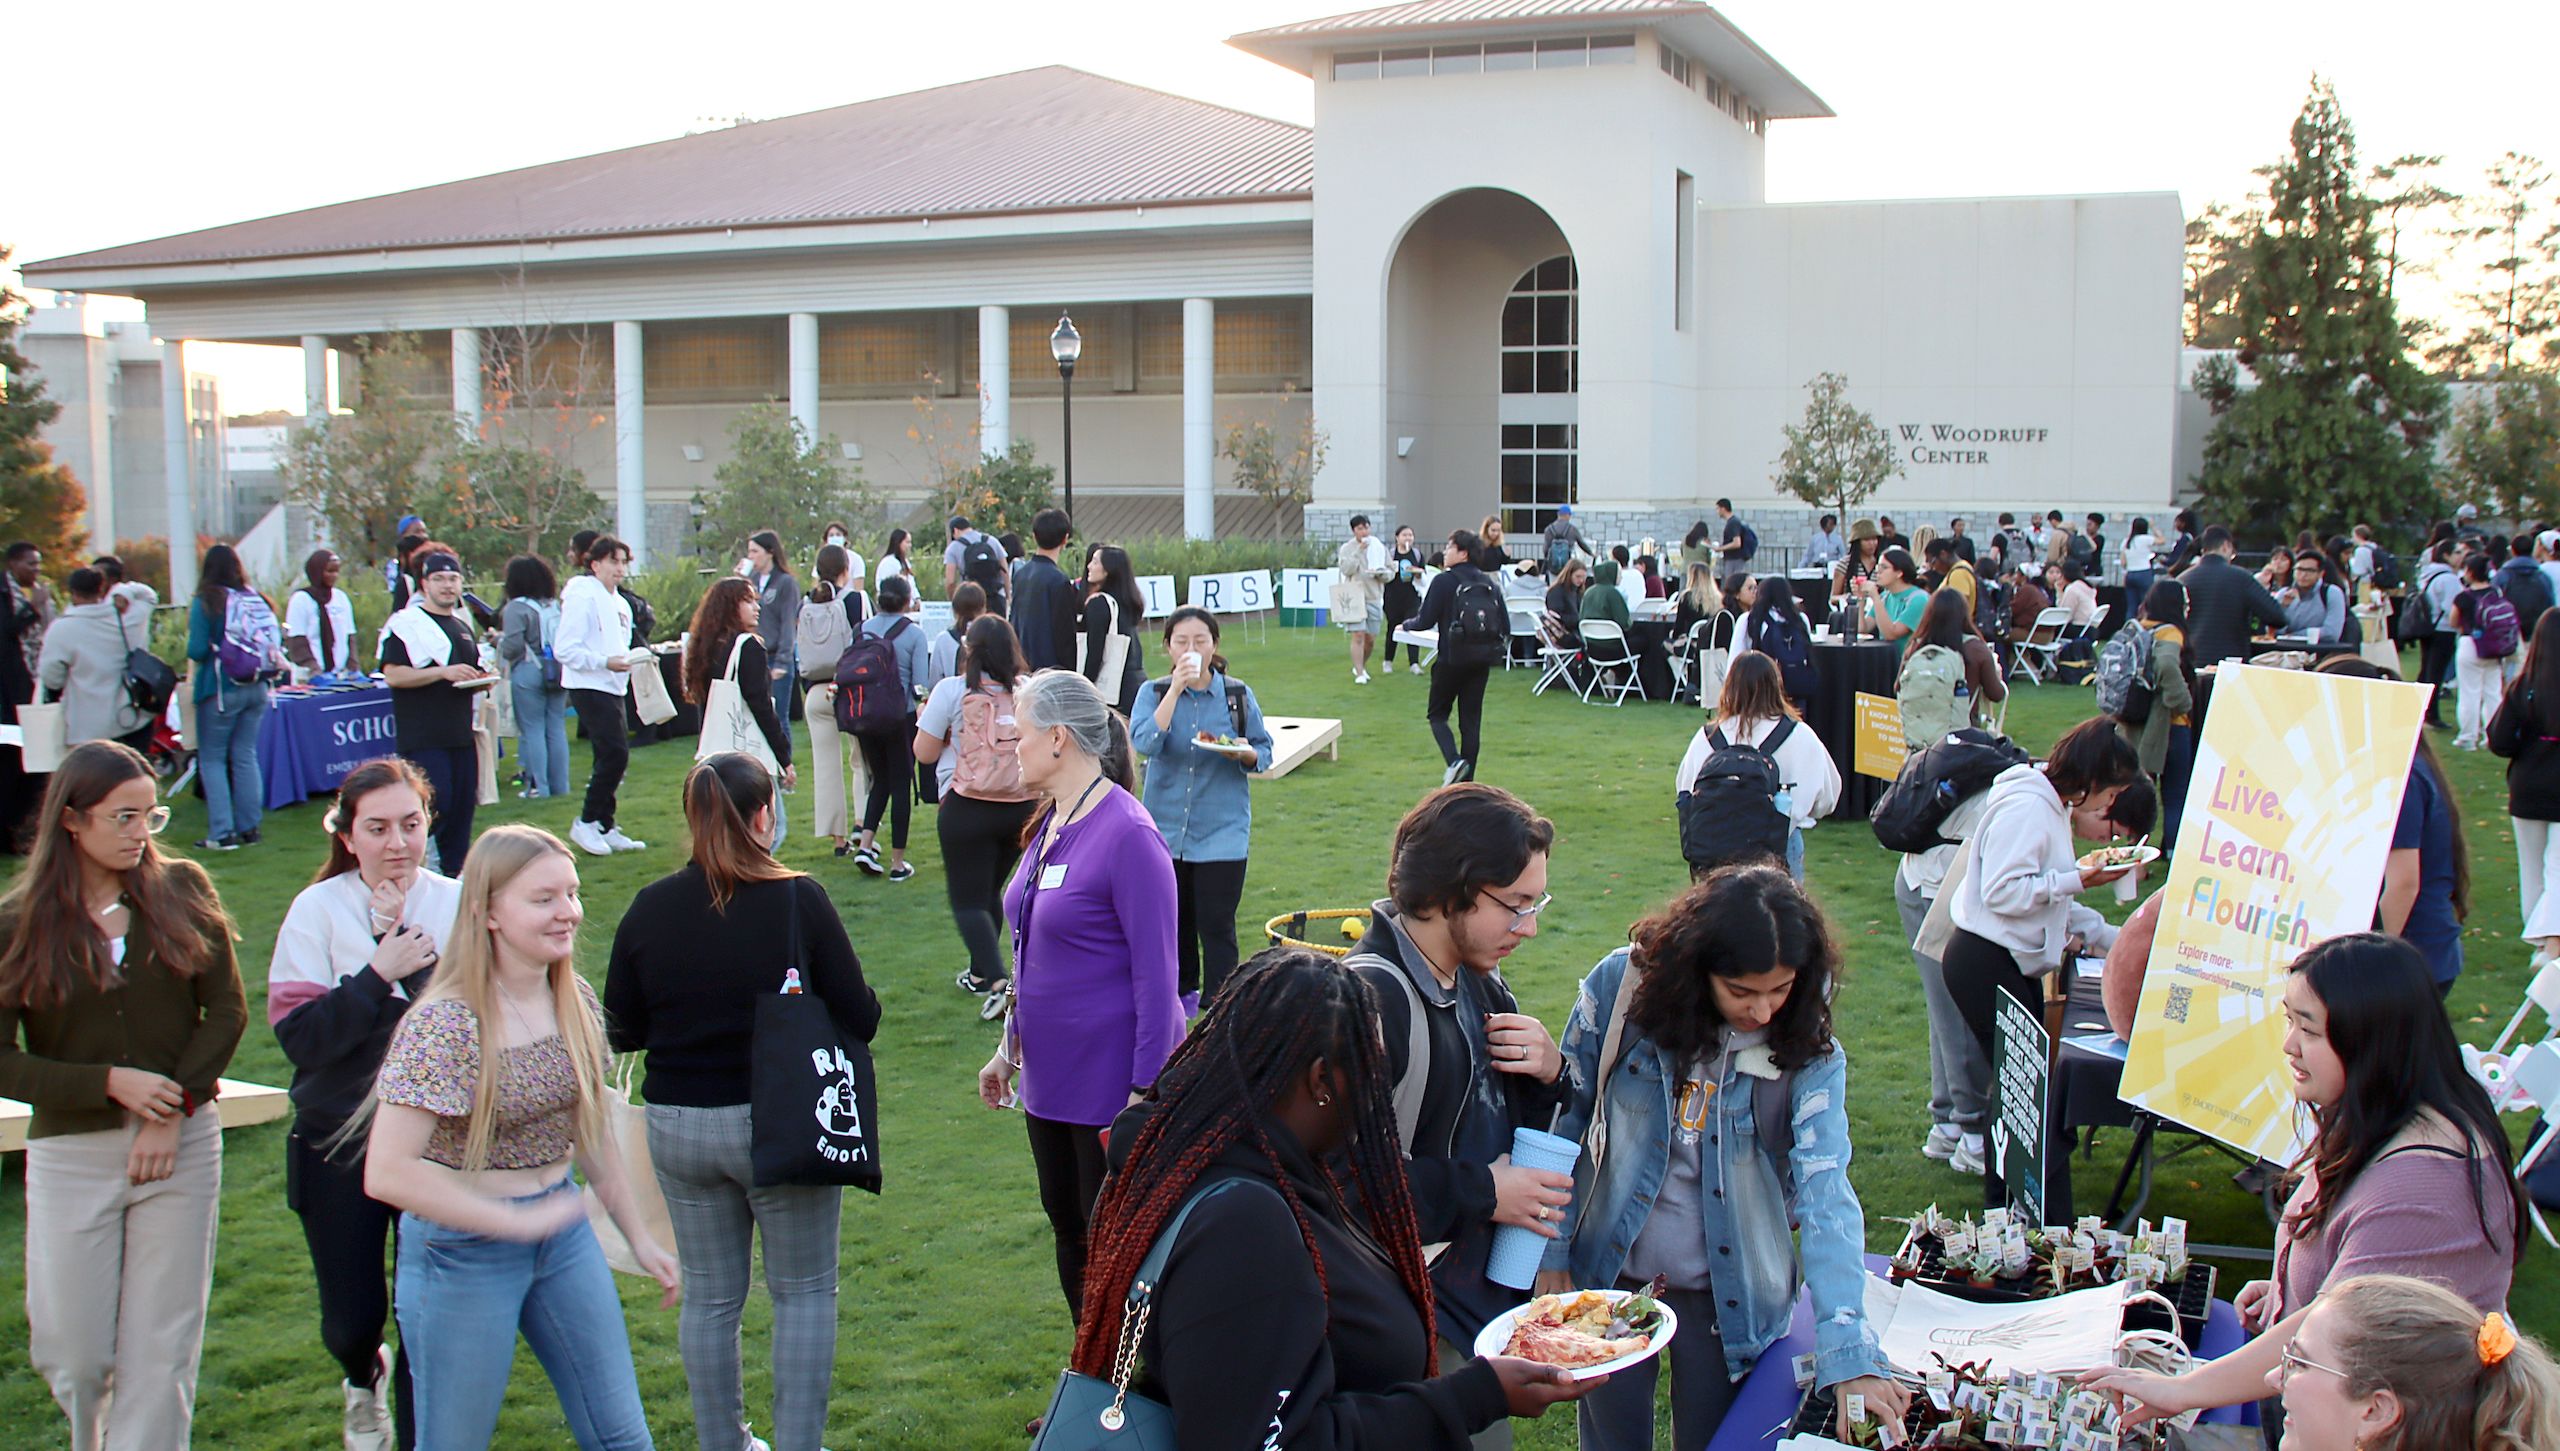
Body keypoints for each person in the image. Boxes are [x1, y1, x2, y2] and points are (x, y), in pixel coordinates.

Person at [1079, 948, 1596, 1447]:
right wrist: (1474, 1396)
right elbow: (1280, 1438)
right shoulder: (1244, 1226)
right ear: (1321, 1080)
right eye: (1371, 1076)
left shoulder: (1199, 1160)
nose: (1376, 1102)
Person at [2084, 934, 2522, 1440]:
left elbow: (2346, 1329)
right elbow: (2363, 1275)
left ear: (2372, 1039)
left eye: (2308, 1029)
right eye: (2289, 1020)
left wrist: (2185, 1389)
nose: (2289, 1044)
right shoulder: (2386, 1117)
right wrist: (2291, 1285)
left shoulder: (2425, 1189)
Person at [1539, 869, 1900, 1451]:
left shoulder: (1812, 1053)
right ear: (1696, 966)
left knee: (1718, 1442)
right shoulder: (1621, 988)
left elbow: (1827, 1194)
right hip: (1607, 1276)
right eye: (1741, 990)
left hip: (1730, 1297)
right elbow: (1565, 1117)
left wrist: (1850, 1352)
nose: (1761, 1010)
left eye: (1781, 990)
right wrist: (1553, 1249)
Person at [355, 824, 675, 1449]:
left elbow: (590, 1130)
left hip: (562, 1240)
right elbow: (386, 1172)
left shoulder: (573, 997)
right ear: (488, 912)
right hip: (461, 1252)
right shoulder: (445, 1024)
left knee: (623, 1439)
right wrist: (509, 1223)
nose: (568, 913)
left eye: (572, 894)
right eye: (544, 898)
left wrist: (639, 1235)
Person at [604, 755, 878, 1451]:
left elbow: (622, 1026)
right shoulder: (797, 898)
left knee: (710, 1295)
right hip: (778, 1120)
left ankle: (721, 1441)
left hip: (680, 1124)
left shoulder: (650, 907)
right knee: (805, 1290)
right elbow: (862, 1012)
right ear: (764, 816)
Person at [0, 741, 245, 1451]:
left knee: (161, 1353)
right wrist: (107, 1083)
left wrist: (174, 1109)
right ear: (72, 820)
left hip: (182, 1147)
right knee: (74, 1355)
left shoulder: (184, 888)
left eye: (151, 815)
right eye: (124, 816)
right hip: (72, 1154)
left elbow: (227, 1010)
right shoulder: (19, 921)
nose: (142, 832)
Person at [1342, 783, 1574, 1442]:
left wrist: (1551, 1072)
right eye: (1516, 905)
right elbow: (1337, 1189)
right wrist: (1485, 1190)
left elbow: (1486, 1113)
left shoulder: (1474, 975)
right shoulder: (1374, 999)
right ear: (1452, 891)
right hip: (1403, 1325)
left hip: (1470, 1313)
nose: (1529, 926)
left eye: (1537, 903)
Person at [268, 757, 458, 1451]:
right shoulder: (315, 910)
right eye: (376, 828)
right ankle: (359, 1376)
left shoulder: (458, 899)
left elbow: (472, 1028)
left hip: (438, 1145)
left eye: (410, 824)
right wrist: (378, 970)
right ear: (348, 835)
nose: (397, 843)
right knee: (353, 1319)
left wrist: (414, 956)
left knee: (424, 1318)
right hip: (336, 1142)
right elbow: (304, 1041)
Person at [977, 669, 1180, 1316]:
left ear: (1059, 738)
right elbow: (1031, 946)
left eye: (1022, 732)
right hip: (1048, 1082)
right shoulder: (1052, 823)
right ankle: (1090, 1390)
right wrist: (1008, 1048)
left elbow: (1159, 980)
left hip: (1107, 1089)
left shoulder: (1129, 835)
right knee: (1071, 1232)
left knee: (1117, 1248)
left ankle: (1131, 1401)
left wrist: (1143, 1094)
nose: (1013, 743)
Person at [1941, 718, 2140, 1203]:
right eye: (2111, 794)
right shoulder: (2031, 807)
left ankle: (2018, 1209)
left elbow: (2050, 901)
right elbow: (2004, 892)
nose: (2108, 805)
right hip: (1985, 958)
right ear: (2092, 782)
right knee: (2020, 1094)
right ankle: (2015, 1210)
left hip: (2002, 959)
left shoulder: (2045, 807)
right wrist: (2077, 879)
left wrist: (2122, 940)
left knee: (2023, 1093)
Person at [1131, 607, 1275, 1010]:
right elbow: (1145, 742)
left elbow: (1263, 750)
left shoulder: (1236, 695)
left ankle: (1221, 1004)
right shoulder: (1154, 693)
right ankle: (1179, 998)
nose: (1191, 649)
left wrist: (1244, 755)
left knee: (1217, 924)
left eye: (1200, 641)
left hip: (1222, 831)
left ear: (1215, 645)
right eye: (1182, 642)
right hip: (1164, 828)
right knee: (1174, 922)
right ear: (1168, 648)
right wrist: (1176, 690)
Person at [2318, 656, 2471, 991]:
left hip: (2413, 954)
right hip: (2420, 949)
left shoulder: (2398, 776)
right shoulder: (2401, 763)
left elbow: (2403, 883)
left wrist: (2377, 962)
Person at [915, 615, 1037, 1012]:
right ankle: (980, 972)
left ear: (969, 650)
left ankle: (999, 982)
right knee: (988, 890)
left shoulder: (952, 691)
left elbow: (924, 753)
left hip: (967, 804)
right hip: (1022, 806)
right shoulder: (1026, 690)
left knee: (968, 900)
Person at [1675, 652, 1840, 878]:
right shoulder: (1800, 736)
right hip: (1778, 850)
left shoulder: (1707, 737)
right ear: (1776, 685)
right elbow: (1827, 799)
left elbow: (1684, 792)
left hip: (1715, 855)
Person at [380, 545, 490, 876]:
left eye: (453, 578)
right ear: (425, 584)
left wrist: (482, 680)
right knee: (432, 809)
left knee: (462, 811)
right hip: (424, 736)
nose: (447, 585)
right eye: (439, 578)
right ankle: (421, 875)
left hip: (460, 734)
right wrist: (441, 672)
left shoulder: (462, 626)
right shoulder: (407, 624)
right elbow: (393, 674)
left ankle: (454, 879)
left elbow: (469, 672)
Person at [685, 576, 798, 853]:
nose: (756, 608)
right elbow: (760, 706)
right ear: (730, 606)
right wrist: (784, 757)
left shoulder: (705, 646)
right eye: (748, 601)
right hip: (748, 750)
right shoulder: (748, 646)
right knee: (772, 827)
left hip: (716, 750)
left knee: (727, 827)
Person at [186, 542, 279, 851]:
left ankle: (222, 832)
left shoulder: (208, 601)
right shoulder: (256, 599)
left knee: (212, 758)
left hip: (221, 688)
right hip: (258, 686)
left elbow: (197, 649)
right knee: (245, 755)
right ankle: (250, 828)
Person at [559, 535, 645, 858]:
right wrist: (602, 662)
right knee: (615, 753)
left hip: (613, 684)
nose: (619, 569)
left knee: (610, 754)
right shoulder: (582, 596)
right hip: (588, 683)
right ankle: (586, 820)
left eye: (623, 562)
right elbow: (566, 648)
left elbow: (619, 644)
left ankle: (605, 824)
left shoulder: (620, 603)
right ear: (594, 565)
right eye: (613, 561)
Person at [846, 575, 928, 879]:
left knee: (879, 779)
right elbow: (920, 683)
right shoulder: (914, 635)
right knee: (901, 785)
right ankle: (897, 862)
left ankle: (865, 844)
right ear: (907, 601)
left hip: (865, 715)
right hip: (900, 715)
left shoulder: (862, 630)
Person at [2491, 610, 2560, 958]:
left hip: (2530, 787)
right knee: (2557, 868)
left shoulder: (2525, 687)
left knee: (2533, 867)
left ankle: (2540, 943)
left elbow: (2499, 740)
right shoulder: (2526, 686)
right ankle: (2551, 944)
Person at [1412, 529, 1503, 785]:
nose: (1445, 552)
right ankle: (1468, 782)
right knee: (1471, 722)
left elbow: (1424, 620)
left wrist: (1405, 625)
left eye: (1450, 547)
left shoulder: (1444, 581)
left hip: (1451, 659)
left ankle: (1454, 761)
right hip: (1481, 660)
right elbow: (1503, 623)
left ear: (1462, 553)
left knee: (1437, 714)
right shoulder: (1488, 583)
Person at [797, 542, 868, 857]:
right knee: (861, 762)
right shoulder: (856, 600)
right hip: (850, 689)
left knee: (825, 766)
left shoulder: (806, 603)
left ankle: (837, 838)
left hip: (815, 692)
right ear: (846, 570)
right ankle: (863, 824)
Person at [36, 567, 153, 750]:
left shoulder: (62, 629)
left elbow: (52, 678)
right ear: (102, 588)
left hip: (87, 726)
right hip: (133, 717)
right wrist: (124, 592)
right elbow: (148, 595)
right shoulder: (127, 618)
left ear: (72, 592)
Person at [2120, 580, 2200, 848]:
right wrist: (2183, 702)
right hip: (2169, 723)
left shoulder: (2136, 628)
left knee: (2139, 789)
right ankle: (2172, 848)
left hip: (2134, 719)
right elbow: (2166, 664)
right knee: (2175, 791)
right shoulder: (2171, 632)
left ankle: (2135, 852)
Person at [497, 554, 569, 802]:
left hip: (529, 670)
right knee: (556, 728)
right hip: (557, 669)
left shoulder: (516, 608)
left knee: (533, 729)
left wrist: (499, 642)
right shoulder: (553, 606)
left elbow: (513, 647)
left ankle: (538, 786)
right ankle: (561, 785)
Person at [1897, 587, 2004, 746]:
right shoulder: (1976, 649)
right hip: (1964, 735)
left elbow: (1898, 687)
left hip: (1920, 737)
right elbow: (1996, 694)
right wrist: (1998, 676)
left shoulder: (1916, 648)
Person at [742, 531, 801, 756]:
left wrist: (784, 662)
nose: (751, 556)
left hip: (778, 655)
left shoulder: (785, 583)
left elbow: (788, 624)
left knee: (779, 716)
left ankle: (785, 762)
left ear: (770, 553)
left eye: (755, 551)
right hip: (757, 653)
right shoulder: (753, 582)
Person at [2452, 554, 2520, 749]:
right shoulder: (2496, 593)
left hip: (2470, 644)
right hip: (2495, 646)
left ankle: (2468, 737)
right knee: (2493, 692)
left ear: (2470, 572)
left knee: (2470, 693)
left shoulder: (2464, 597)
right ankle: (2493, 735)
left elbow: (2454, 621)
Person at [1009, 507, 1080, 673]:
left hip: (1022, 666)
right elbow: (1065, 636)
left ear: (1034, 537)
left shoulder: (1021, 574)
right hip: (1051, 671)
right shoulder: (1059, 581)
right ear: (1065, 539)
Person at [1079, 544, 1148, 713]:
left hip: (1114, 689)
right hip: (1136, 682)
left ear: (1108, 570)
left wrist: (1083, 686)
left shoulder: (1099, 603)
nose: (1089, 566)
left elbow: (1095, 653)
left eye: (1095, 562)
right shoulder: (1128, 600)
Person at [1745, 574, 1819, 713]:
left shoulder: (1752, 619)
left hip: (1764, 685)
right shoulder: (1800, 619)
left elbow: (1737, 655)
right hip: (1798, 684)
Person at [2415, 539, 2466, 729]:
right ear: (2447, 555)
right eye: (2457, 552)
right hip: (2443, 628)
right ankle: (2431, 714)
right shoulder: (2448, 578)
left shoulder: (2429, 573)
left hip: (2429, 626)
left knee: (2427, 670)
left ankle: (2421, 710)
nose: (2461, 557)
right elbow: (2452, 607)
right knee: (2435, 673)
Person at [287, 548, 360, 676]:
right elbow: (297, 642)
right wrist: (314, 670)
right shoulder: (301, 599)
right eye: (330, 571)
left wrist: (353, 669)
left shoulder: (341, 598)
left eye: (337, 571)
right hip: (312, 675)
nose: (334, 575)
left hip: (341, 675)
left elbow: (349, 637)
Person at [1337, 514, 1390, 685]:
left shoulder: (1378, 547)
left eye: (1366, 527)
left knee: (1370, 638)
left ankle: (1361, 665)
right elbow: (1346, 569)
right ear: (1354, 531)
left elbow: (1390, 571)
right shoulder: (1348, 548)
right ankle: (1359, 673)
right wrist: (1358, 550)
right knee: (1358, 635)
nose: (1364, 531)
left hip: (1374, 595)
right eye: (1360, 528)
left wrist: (1381, 574)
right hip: (1354, 595)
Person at [1384, 522, 1429, 674]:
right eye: (1404, 535)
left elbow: (1423, 578)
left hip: (1412, 597)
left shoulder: (1416, 555)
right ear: (1397, 538)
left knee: (1411, 628)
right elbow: (1385, 575)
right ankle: (1388, 661)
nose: (1407, 538)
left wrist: (1417, 573)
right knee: (1392, 628)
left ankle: (1414, 663)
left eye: (1410, 535)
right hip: (1393, 597)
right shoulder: (1390, 554)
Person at [943, 514, 1010, 615]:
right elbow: (1005, 572)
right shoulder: (992, 541)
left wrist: (953, 601)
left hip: (970, 601)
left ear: (955, 531)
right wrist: (1007, 596)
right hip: (996, 597)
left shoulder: (953, 548)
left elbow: (950, 581)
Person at [925, 581, 983, 697]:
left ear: (954, 610)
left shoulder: (943, 639)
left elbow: (935, 680)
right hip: (984, 703)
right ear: (983, 609)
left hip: (950, 702)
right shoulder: (990, 637)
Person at [1856, 547, 1927, 641]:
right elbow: (1862, 629)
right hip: (1886, 654)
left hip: (1906, 655)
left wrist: (1875, 597)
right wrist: (1860, 598)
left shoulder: (1918, 599)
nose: (1878, 572)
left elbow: (1891, 635)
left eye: (1884, 567)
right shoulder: (1884, 597)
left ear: (1899, 573)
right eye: (1878, 567)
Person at [2280, 549, 2350, 644]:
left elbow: (2331, 632)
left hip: (2319, 652)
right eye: (2299, 569)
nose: (2304, 575)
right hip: (2283, 652)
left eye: (2310, 570)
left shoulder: (2331, 593)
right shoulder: (2284, 593)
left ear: (2320, 574)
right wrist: (2282, 607)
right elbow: (2273, 632)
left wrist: (2294, 636)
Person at [2496, 533, 2554, 638]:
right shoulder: (2542, 576)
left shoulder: (2502, 575)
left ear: (2513, 551)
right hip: (2537, 631)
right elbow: (2550, 605)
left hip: (2509, 632)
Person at [1539, 504, 1592, 577]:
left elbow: (1545, 549)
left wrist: (1547, 557)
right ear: (1567, 515)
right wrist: (1591, 553)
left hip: (1553, 566)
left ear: (1558, 514)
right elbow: (1581, 544)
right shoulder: (1572, 529)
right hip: (1567, 565)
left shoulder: (1548, 529)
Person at [1833, 518, 1884, 592]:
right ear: (1857, 542)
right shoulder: (1844, 564)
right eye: (1866, 540)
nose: (1872, 543)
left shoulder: (1883, 562)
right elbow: (1833, 597)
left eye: (1874, 539)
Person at [2005, 562, 2053, 638]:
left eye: (2017, 574)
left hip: (2037, 635)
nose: (2014, 577)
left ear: (2023, 577)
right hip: (2048, 634)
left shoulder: (2027, 590)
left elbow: (2011, 610)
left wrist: (2006, 587)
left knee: (2000, 633)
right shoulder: (2041, 590)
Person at [1544, 558, 1589, 639]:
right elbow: (1556, 617)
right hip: (1565, 633)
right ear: (1569, 574)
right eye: (1578, 576)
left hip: (1573, 629)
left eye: (1583, 577)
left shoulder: (1576, 590)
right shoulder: (1556, 591)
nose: (1581, 580)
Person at [874, 527, 913, 591]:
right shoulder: (888, 563)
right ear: (898, 542)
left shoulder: (905, 562)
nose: (910, 545)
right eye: (907, 542)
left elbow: (912, 585)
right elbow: (887, 587)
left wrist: (917, 599)